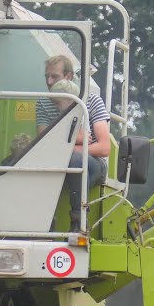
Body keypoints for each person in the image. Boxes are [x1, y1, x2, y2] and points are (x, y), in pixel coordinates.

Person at [48, 78, 110, 222]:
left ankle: (79, 218)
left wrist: (77, 149)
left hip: (93, 163)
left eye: (58, 103)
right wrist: (75, 142)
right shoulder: (51, 107)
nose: (56, 107)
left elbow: (104, 148)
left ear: (71, 100)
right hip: (60, 158)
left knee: (76, 159)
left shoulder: (91, 102)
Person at [36, 53, 100, 135]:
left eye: (55, 76)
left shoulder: (92, 101)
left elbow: (103, 145)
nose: (49, 82)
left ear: (69, 76)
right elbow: (43, 138)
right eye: (46, 76)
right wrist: (76, 138)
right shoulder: (43, 102)